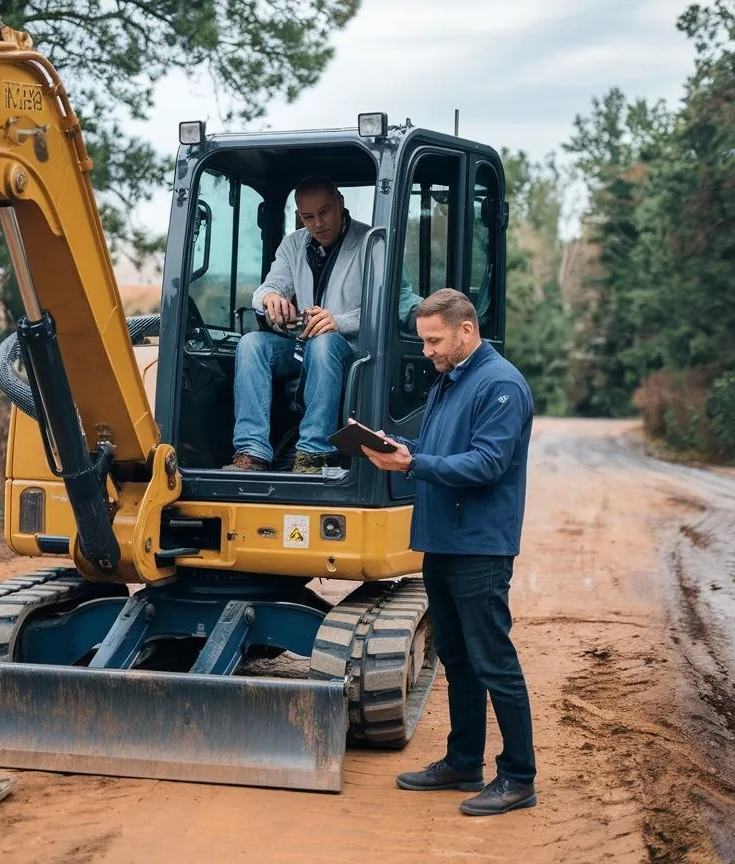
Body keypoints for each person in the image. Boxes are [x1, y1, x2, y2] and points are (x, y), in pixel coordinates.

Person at [361, 287, 537, 817]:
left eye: (435, 340)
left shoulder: (501, 384)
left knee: (493, 661)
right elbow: (438, 451)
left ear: (467, 330)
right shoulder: (450, 380)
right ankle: (464, 761)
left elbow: (486, 464)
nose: (428, 351)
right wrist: (393, 446)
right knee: (457, 659)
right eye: (424, 341)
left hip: (480, 547)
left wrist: (411, 465)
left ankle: (519, 777)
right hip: (442, 541)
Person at [224, 174, 418, 473]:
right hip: (301, 346)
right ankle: (252, 451)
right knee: (252, 343)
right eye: (308, 216)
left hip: (351, 351)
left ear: (340, 203)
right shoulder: (293, 245)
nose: (318, 223)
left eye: (325, 212)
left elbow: (392, 306)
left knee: (324, 341)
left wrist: (336, 321)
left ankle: (314, 454)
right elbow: (267, 287)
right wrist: (270, 299)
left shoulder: (373, 245)